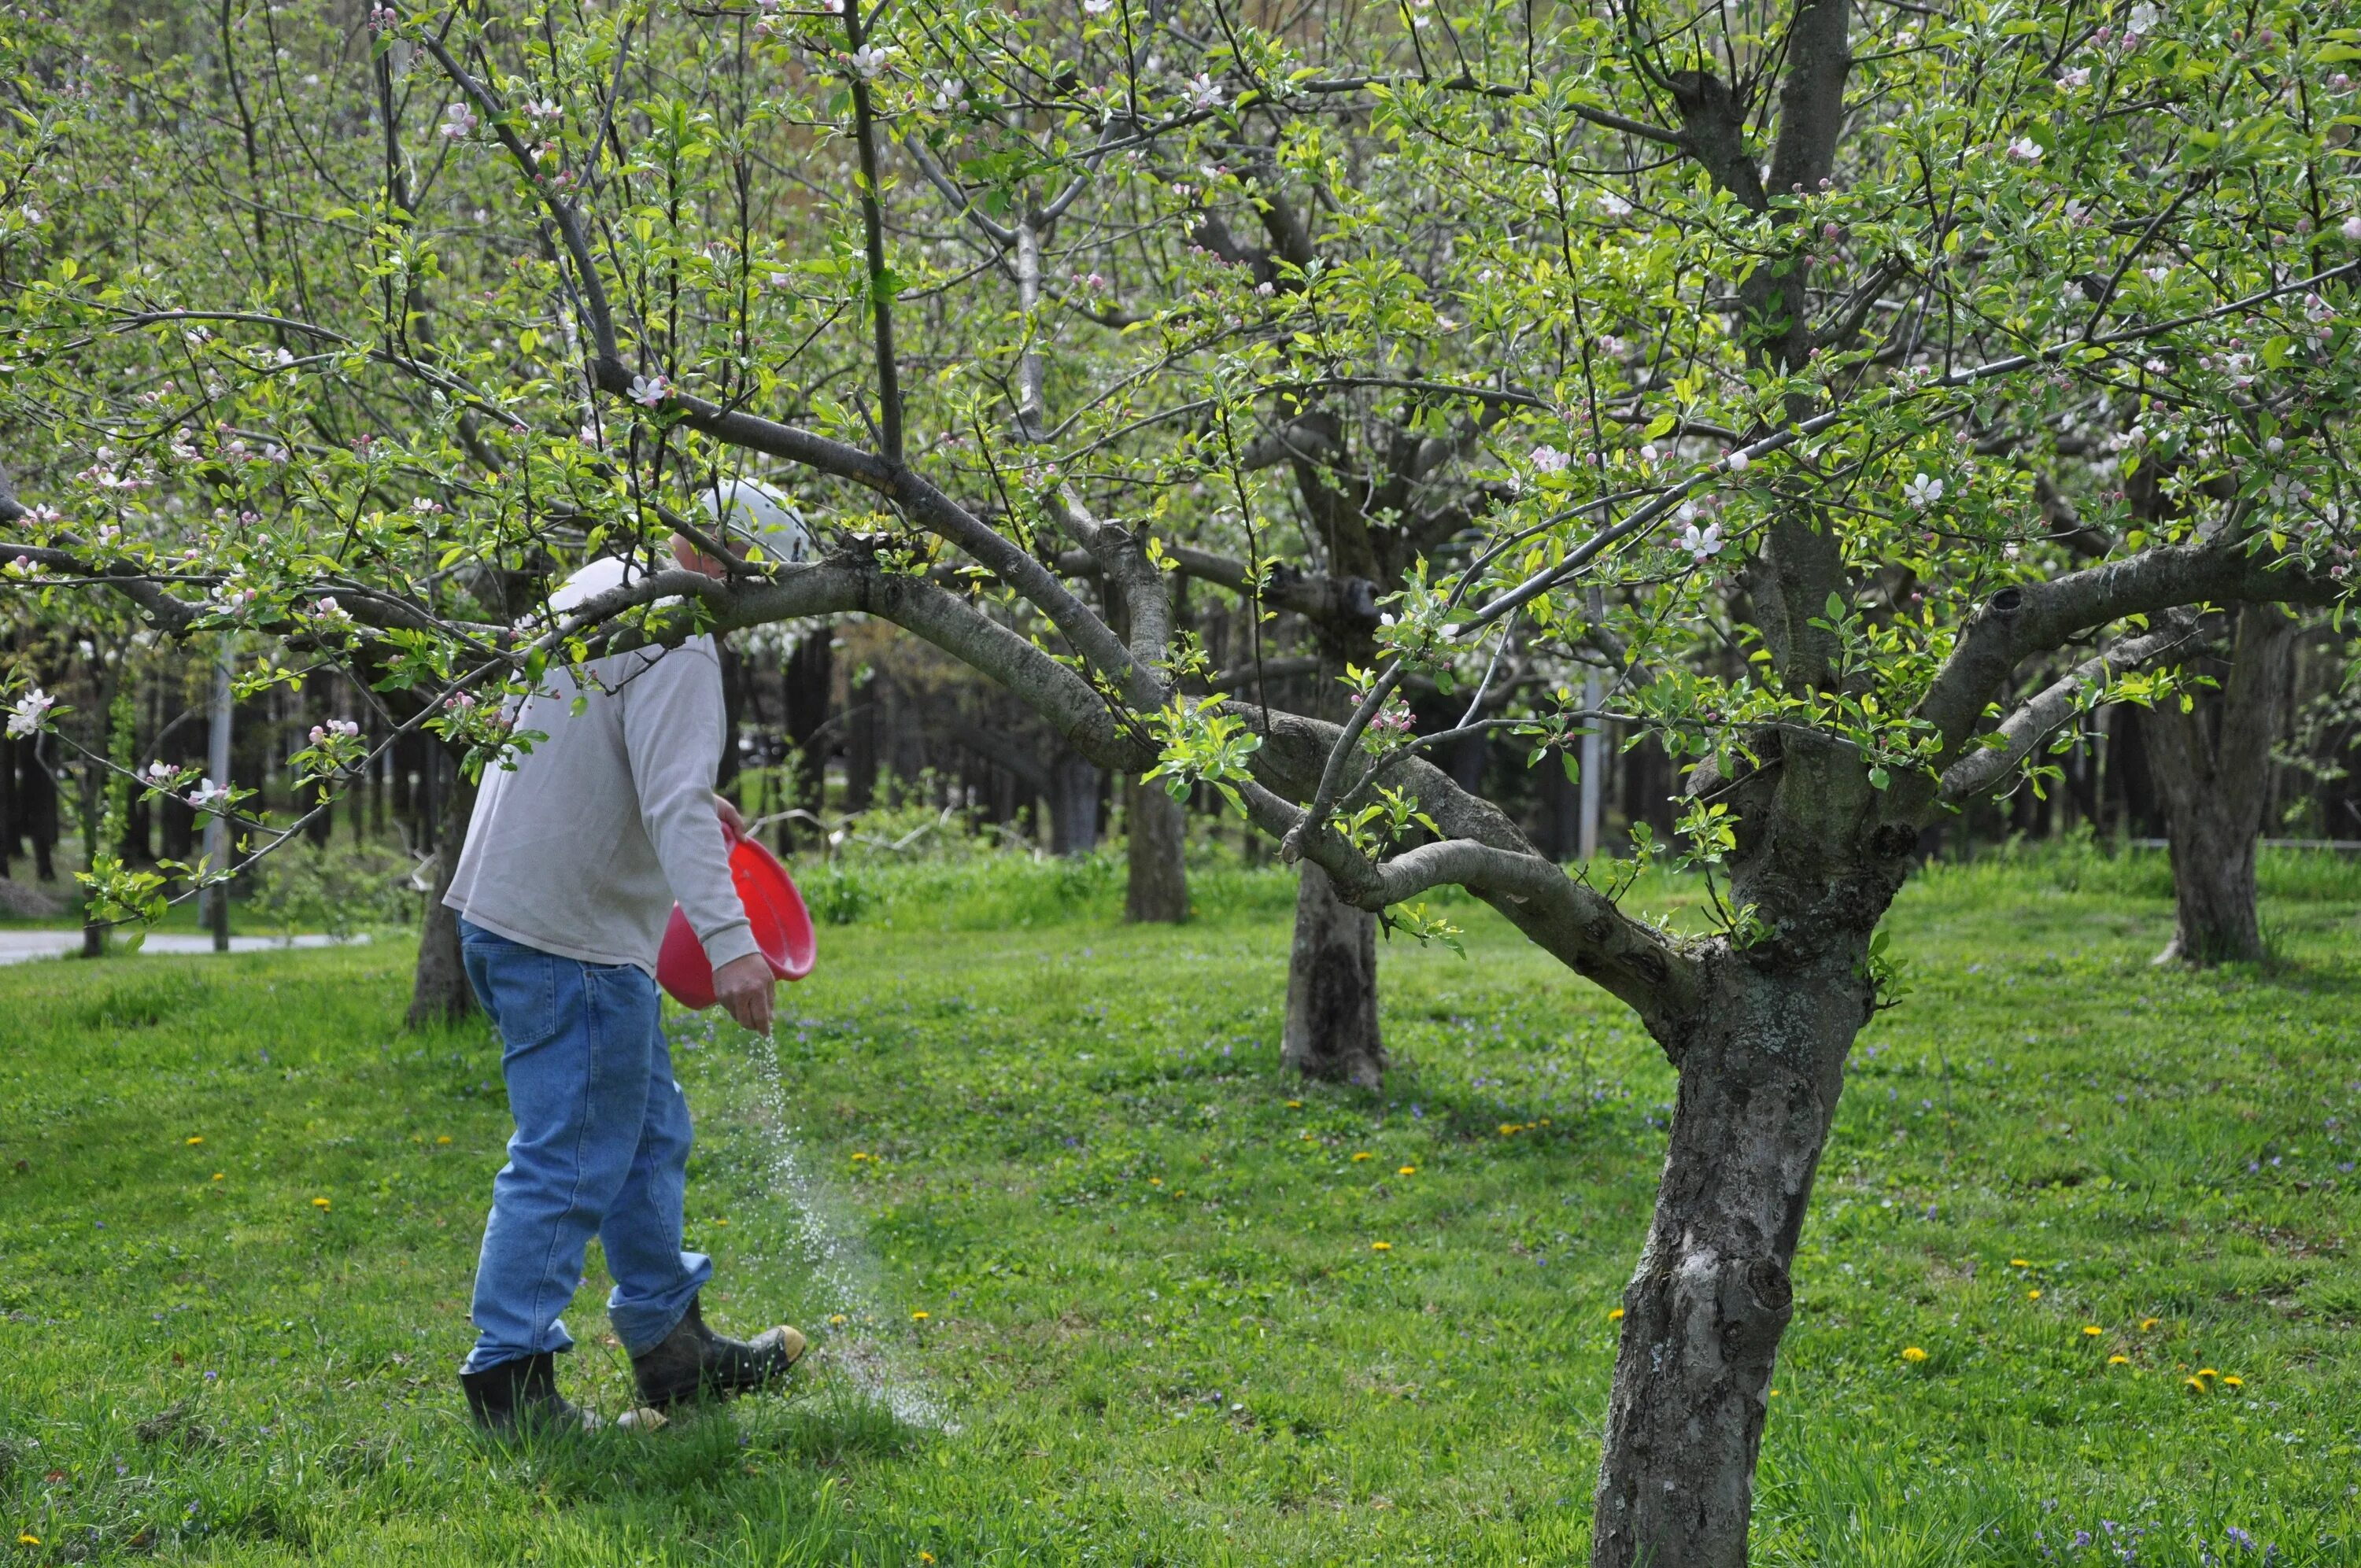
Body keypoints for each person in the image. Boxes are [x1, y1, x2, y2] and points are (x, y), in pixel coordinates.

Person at [442, 490, 810, 1431]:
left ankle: (672, 1349)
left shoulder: (605, 588)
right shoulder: (681, 638)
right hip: (571, 935)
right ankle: (510, 1386)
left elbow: (599, 751)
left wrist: (683, 795)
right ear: (733, 570)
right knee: (568, 1157)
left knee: (645, 1135)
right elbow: (675, 804)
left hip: (518, 910)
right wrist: (732, 946)